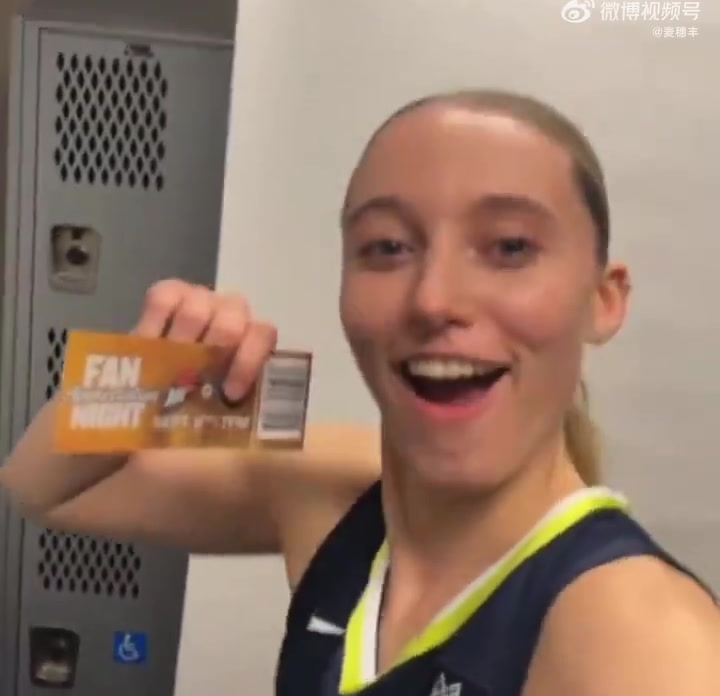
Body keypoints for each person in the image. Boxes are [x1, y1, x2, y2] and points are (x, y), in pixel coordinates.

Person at [2, 89, 718, 695]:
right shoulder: (337, 493)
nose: (434, 299)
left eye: (509, 247)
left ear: (603, 300)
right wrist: (147, 377)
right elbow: (40, 488)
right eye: (388, 247)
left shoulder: (642, 641)